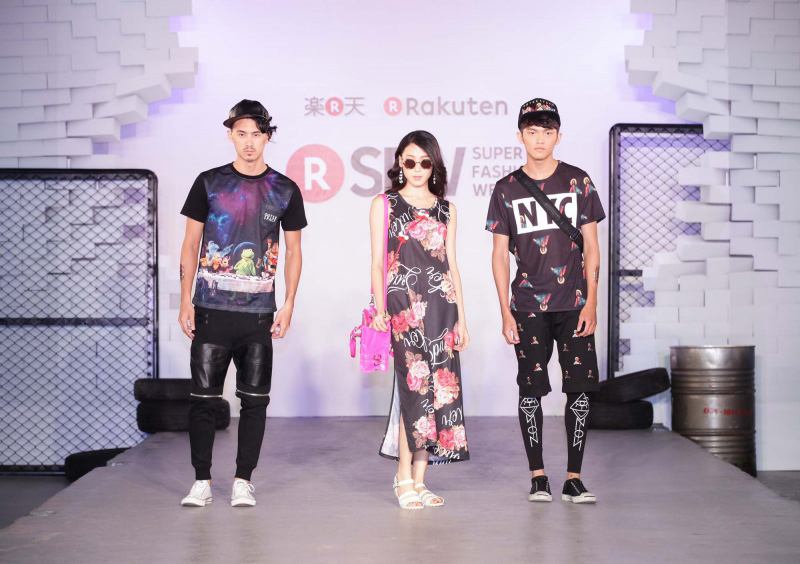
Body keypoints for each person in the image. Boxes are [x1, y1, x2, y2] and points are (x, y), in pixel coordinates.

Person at [177, 100, 307, 507]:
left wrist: (288, 304)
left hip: (258, 314)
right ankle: (201, 481)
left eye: (256, 134)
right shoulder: (209, 183)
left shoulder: (284, 189)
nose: (249, 142)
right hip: (211, 309)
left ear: (268, 136)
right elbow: (191, 244)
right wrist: (185, 300)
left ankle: (242, 480)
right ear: (230, 135)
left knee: (254, 402)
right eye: (241, 133)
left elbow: (294, 251)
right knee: (203, 401)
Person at [486, 98, 605, 504]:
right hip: (527, 305)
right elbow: (499, 255)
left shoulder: (578, 181)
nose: (539, 139)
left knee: (580, 391)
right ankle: (538, 476)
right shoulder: (506, 188)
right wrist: (505, 311)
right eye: (532, 132)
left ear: (558, 135)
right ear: (520, 136)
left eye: (547, 132)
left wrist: (591, 302)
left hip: (574, 304)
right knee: (531, 390)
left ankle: (574, 478)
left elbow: (592, 245)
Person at [371, 131, 470, 509]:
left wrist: (462, 319)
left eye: (424, 162)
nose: (416, 169)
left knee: (438, 394)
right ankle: (402, 477)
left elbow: (451, 265)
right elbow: (378, 262)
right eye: (409, 161)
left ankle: (420, 479)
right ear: (400, 162)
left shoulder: (447, 209)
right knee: (413, 390)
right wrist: (380, 309)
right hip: (403, 308)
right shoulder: (385, 204)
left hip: (442, 308)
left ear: (434, 165)